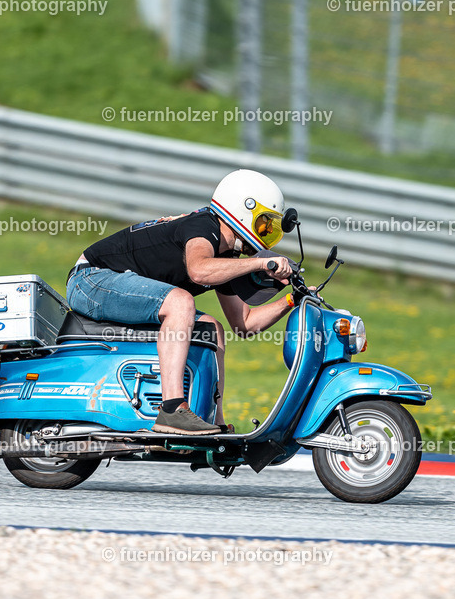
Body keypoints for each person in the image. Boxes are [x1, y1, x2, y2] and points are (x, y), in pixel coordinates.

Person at [65, 169, 297, 435]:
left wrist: (290, 300)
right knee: (180, 302)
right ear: (243, 209)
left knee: (212, 328)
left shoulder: (225, 259)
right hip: (91, 278)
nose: (267, 232)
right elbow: (198, 269)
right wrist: (259, 263)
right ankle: (172, 409)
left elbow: (244, 324)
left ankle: (215, 419)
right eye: (265, 223)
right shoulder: (203, 226)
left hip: (109, 282)